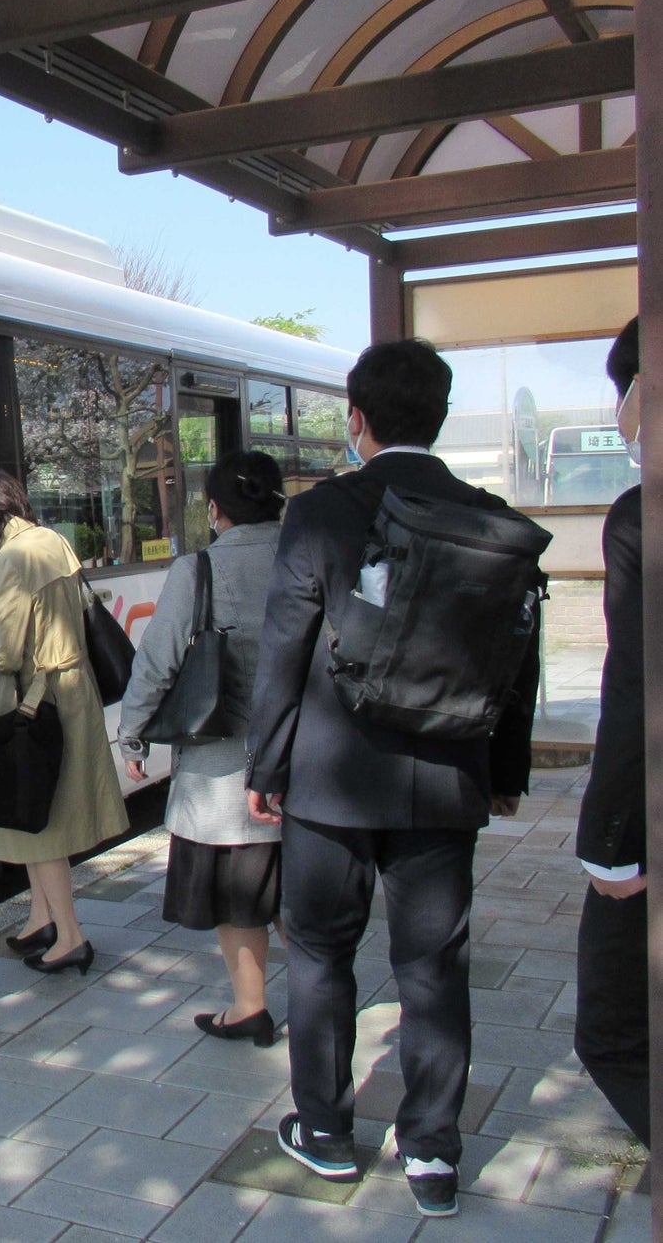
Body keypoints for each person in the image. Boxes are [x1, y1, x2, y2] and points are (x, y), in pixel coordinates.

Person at [246, 339, 538, 1219]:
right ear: (441, 419)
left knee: (323, 953)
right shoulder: (488, 516)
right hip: (446, 781)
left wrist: (266, 766)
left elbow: (283, 649)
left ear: (357, 420)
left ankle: (328, 1131)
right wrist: (506, 770)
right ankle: (434, 1155)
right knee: (433, 967)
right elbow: (516, 660)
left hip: (331, 782)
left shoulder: (323, 513)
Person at [118, 450, 285, 1045]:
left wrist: (133, 733)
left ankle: (249, 1007)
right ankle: (324, 997)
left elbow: (158, 660)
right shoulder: (309, 558)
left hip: (225, 769)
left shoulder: (199, 570)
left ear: (214, 509)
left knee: (238, 894)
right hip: (304, 759)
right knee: (296, 890)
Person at [0, 467, 127, 975]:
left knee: (36, 820)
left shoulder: (9, 559)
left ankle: (69, 936)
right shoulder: (51, 539)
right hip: (73, 690)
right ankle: (41, 918)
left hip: (36, 701)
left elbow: (7, 652)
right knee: (32, 814)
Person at [574, 317, 648, 1147]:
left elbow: (634, 684)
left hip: (651, 824)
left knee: (614, 1032)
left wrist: (611, 842)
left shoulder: (642, 515)